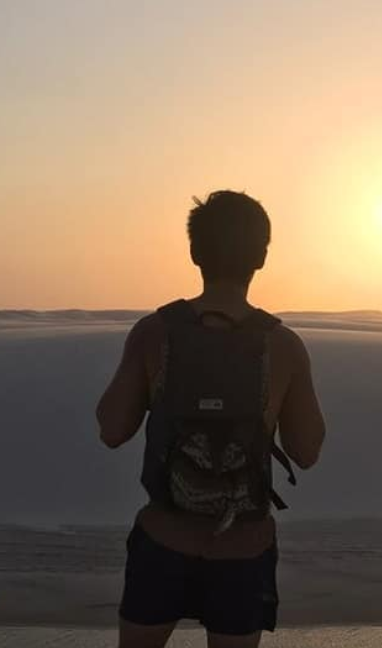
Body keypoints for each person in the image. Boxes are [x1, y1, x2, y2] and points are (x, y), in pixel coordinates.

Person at [97, 190, 327, 648]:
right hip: (244, 550)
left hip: (163, 542)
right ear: (261, 256)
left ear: (194, 252)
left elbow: (112, 430)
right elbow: (306, 452)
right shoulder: (283, 346)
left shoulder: (153, 332)